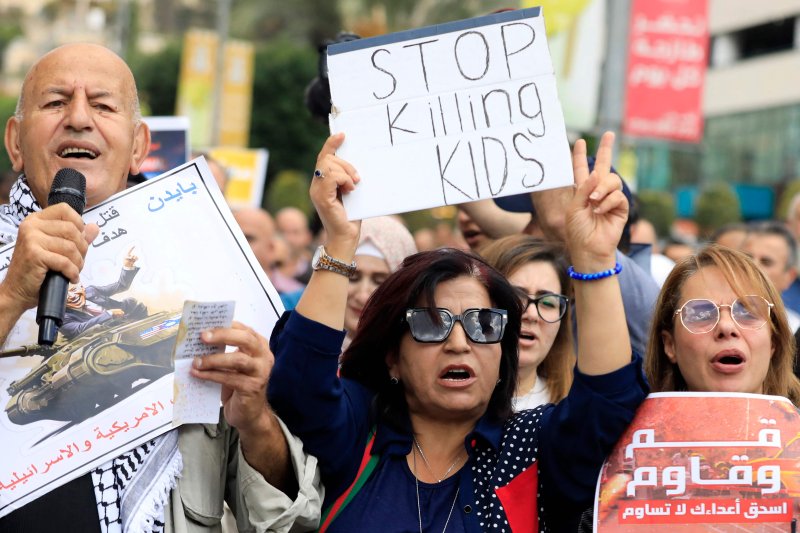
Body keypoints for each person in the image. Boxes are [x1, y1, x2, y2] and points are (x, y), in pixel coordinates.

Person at [0, 43, 321, 532]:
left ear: (138, 146)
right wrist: (11, 297)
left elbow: (288, 521)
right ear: (16, 141)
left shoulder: (201, 268)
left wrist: (255, 418)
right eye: (55, 101)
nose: (80, 118)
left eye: (104, 105)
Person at [268, 131, 648, 531]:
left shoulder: (531, 450)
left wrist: (592, 258)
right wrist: (341, 242)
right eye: (432, 323)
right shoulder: (360, 435)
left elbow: (607, 400)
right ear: (392, 355)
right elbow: (299, 386)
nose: (458, 343)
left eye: (484, 325)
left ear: (504, 355)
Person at [644, 244, 800, 403]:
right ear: (670, 345)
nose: (726, 327)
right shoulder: (634, 427)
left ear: (773, 342)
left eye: (747, 313)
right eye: (702, 314)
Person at [480, 235, 574, 409]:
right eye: (516, 296)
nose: (531, 314)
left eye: (547, 303)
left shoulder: (571, 411)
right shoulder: (449, 404)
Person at [342, 215, 417, 349]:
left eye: (379, 282)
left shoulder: (413, 359)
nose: (363, 296)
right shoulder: (305, 345)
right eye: (353, 278)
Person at [61, 246, 147, 340]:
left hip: (130, 319)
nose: (71, 295)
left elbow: (121, 285)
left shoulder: (90, 291)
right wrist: (109, 314)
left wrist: (128, 266)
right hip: (107, 336)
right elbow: (78, 329)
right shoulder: (62, 319)